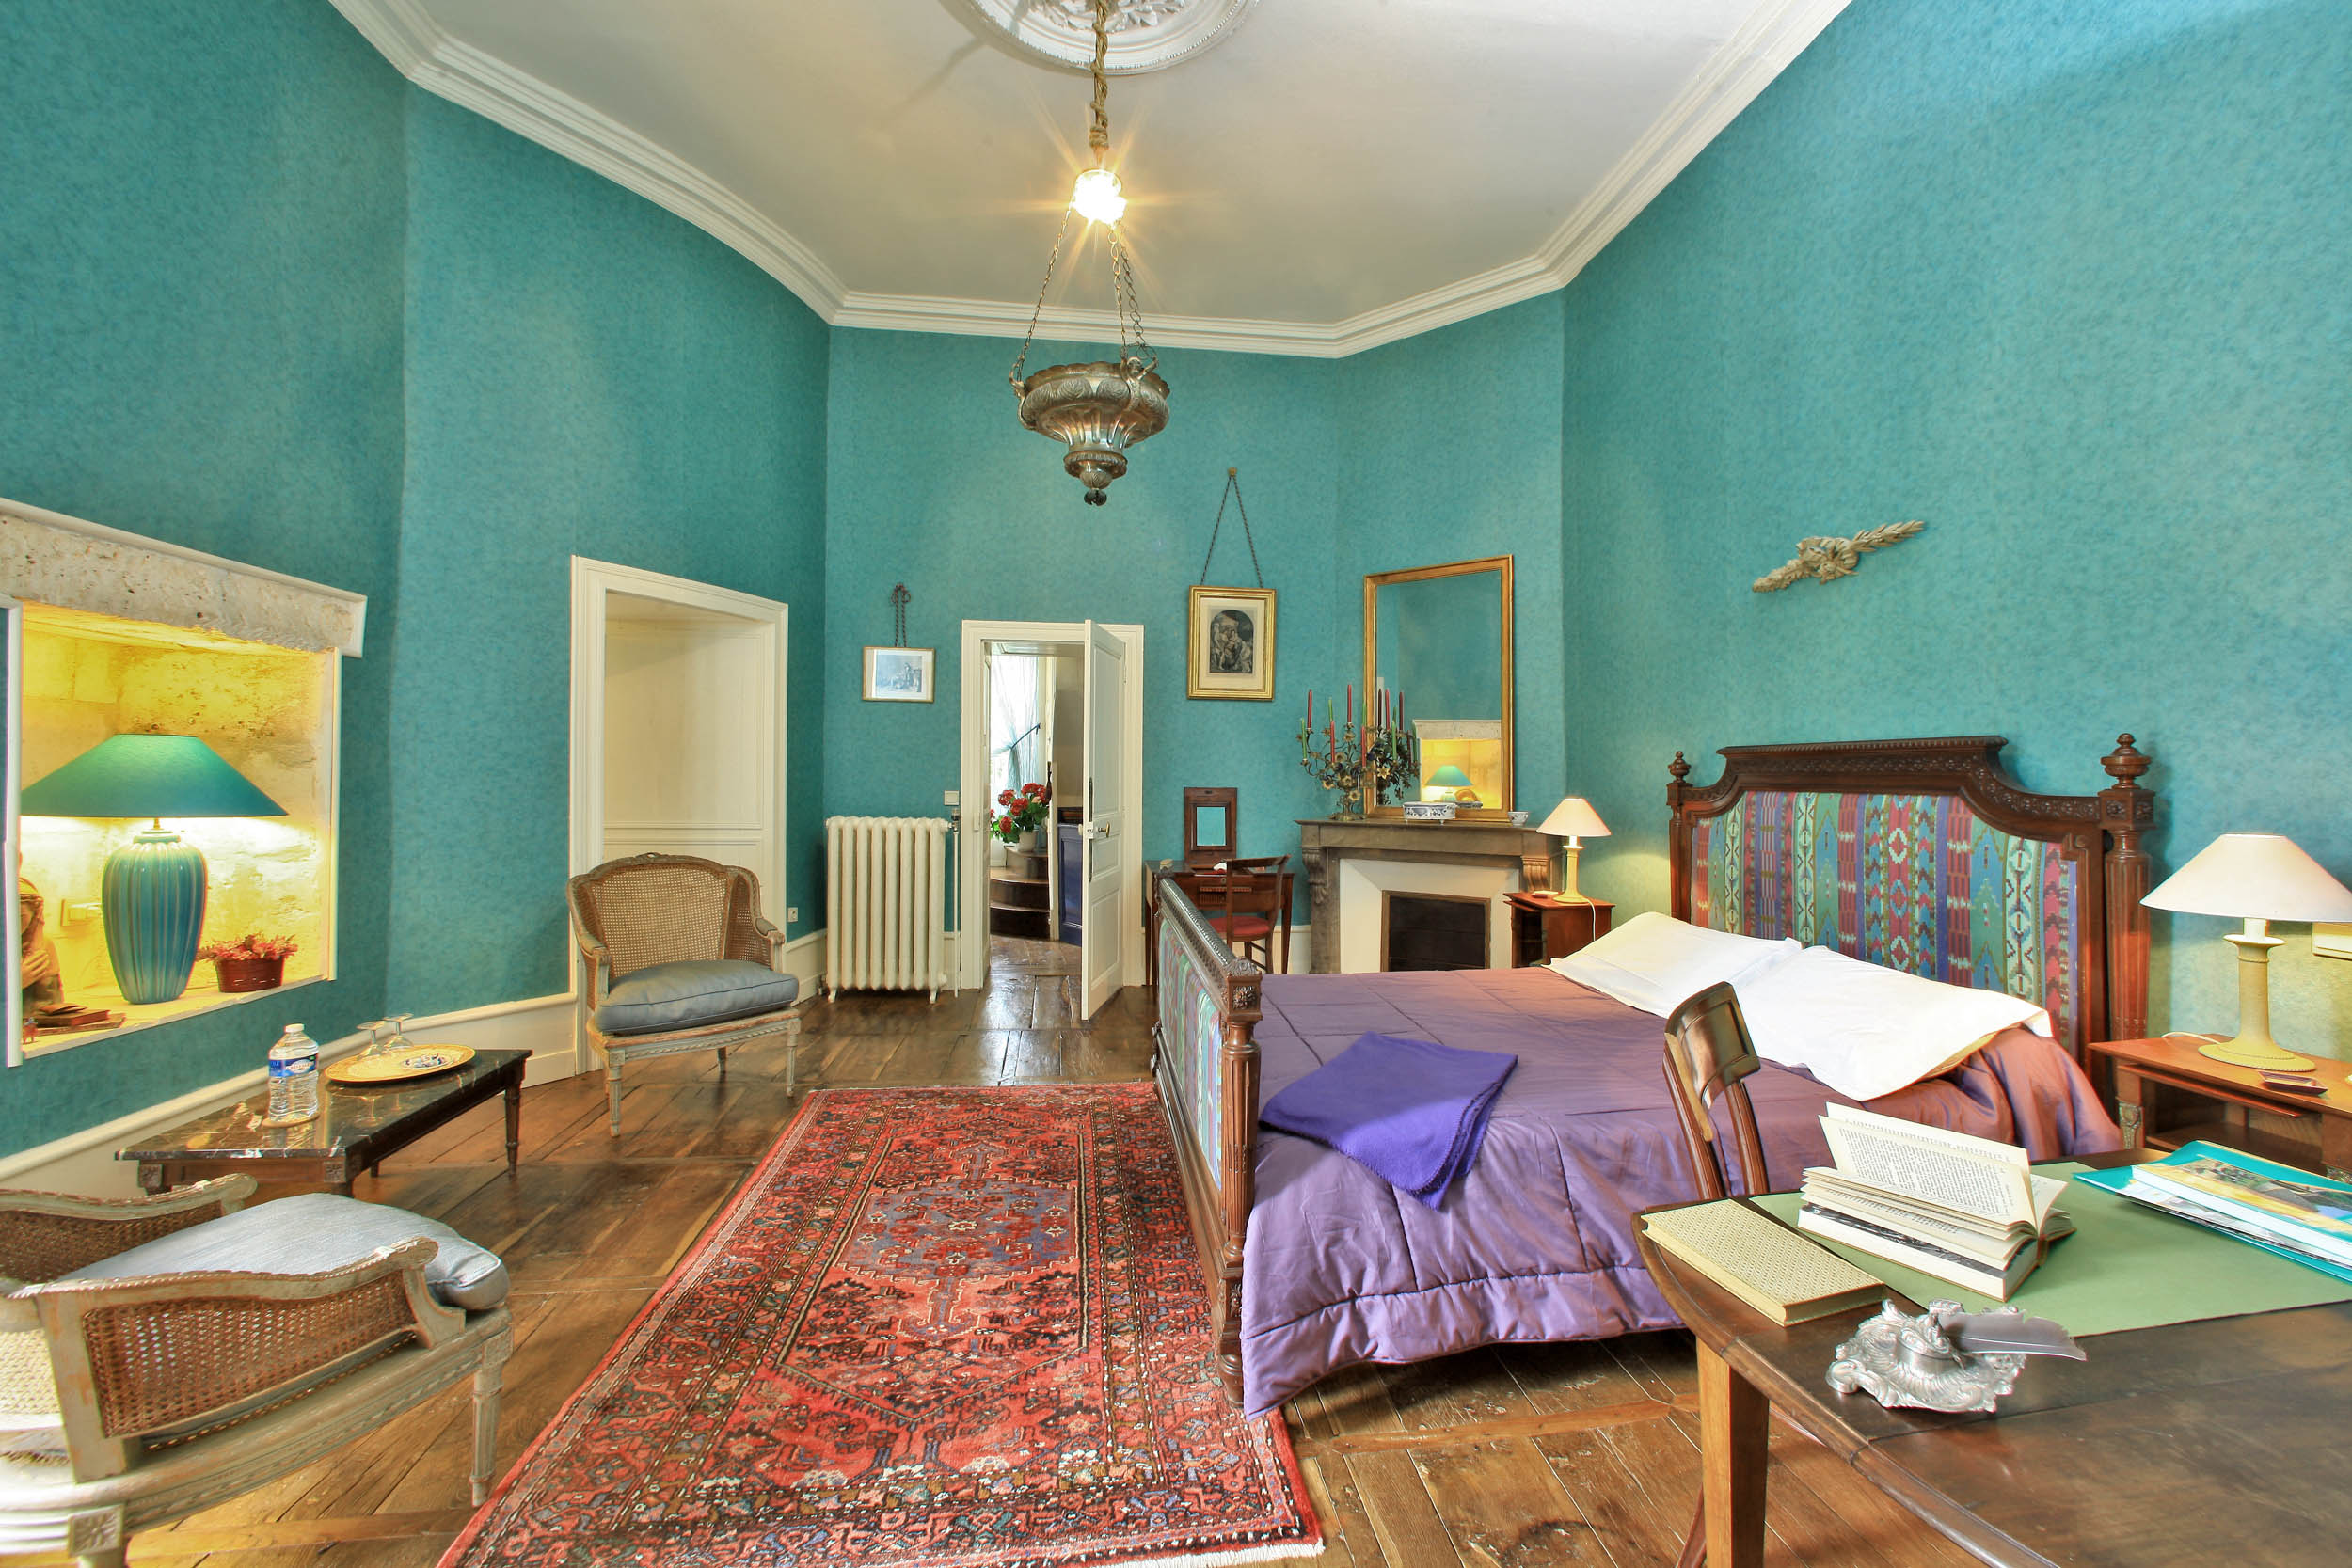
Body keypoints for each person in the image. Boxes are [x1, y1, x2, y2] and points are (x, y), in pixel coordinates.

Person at [1208, 609, 1253, 675]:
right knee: (1226, 653)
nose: (1231, 634)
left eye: (1233, 633)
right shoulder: (1221, 635)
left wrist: (1233, 643)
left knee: (1237, 651)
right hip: (1226, 648)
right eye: (1231, 632)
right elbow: (1225, 642)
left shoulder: (1235, 637)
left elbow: (1236, 641)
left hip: (1232, 648)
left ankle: (1236, 664)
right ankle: (1226, 664)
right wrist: (1227, 644)